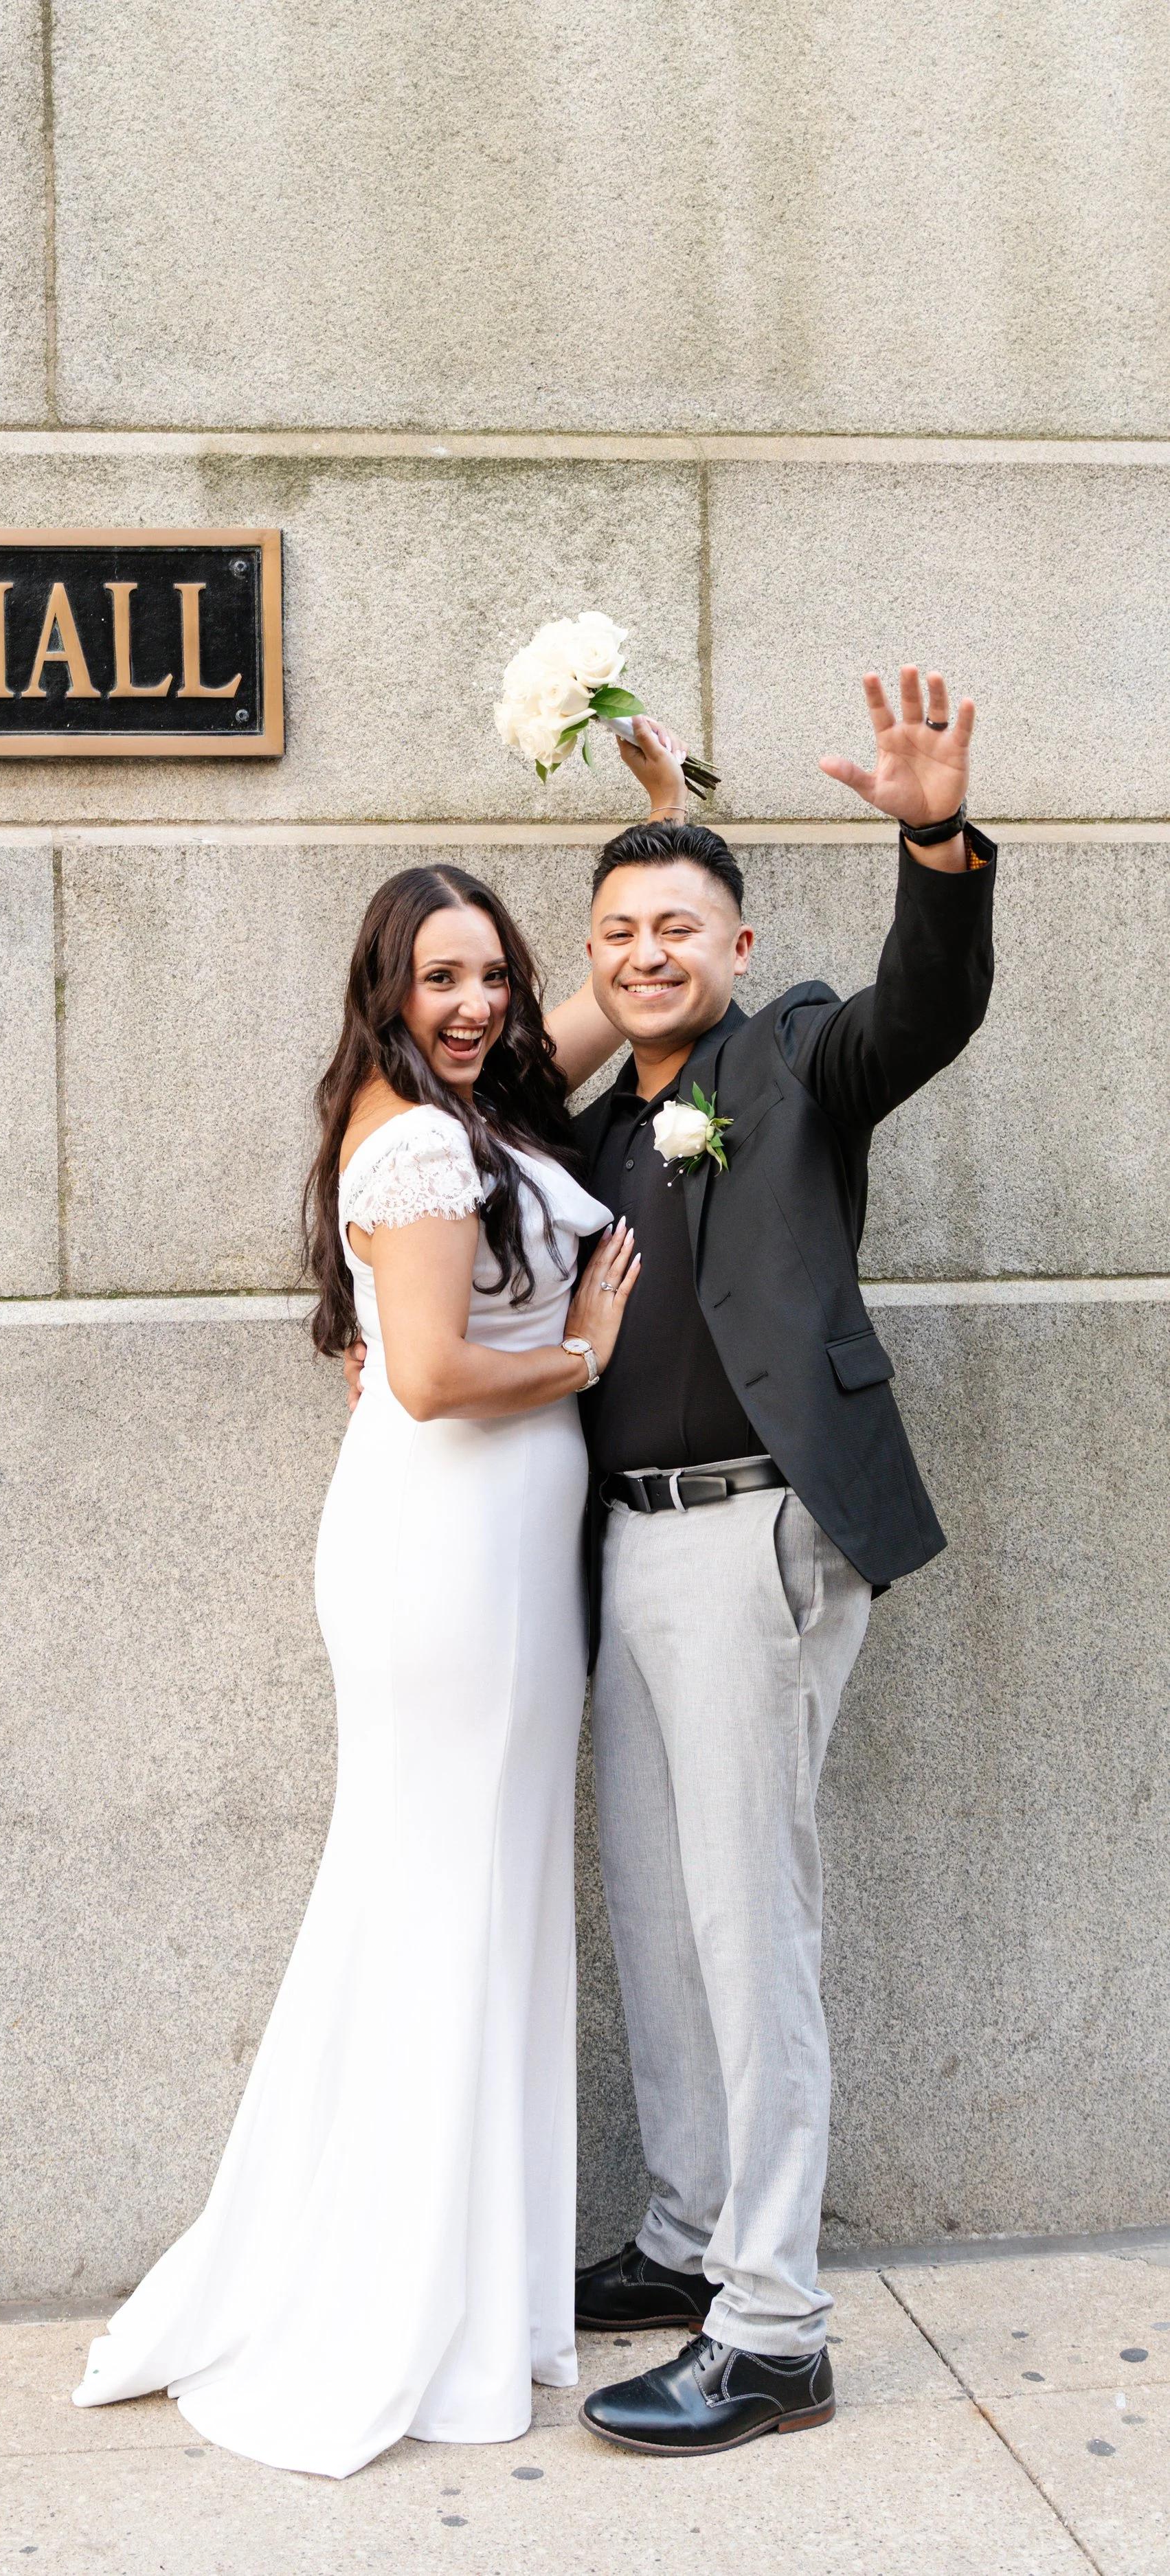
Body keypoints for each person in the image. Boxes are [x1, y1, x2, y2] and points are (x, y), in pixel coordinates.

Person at [71, 863, 637, 2477]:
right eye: (435, 980)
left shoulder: (475, 1106)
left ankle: (476, 2282)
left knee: (478, 1895)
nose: (470, 1006)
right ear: (380, 990)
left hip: (503, 1548)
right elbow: (444, 1373)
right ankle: (400, 2300)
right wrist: (587, 1350)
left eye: (489, 978)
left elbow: (584, 1017)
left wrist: (663, 817)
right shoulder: (406, 1142)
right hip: (444, 1556)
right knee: (435, 1898)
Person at [568, 669, 995, 2456]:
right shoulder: (593, 1112)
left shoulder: (794, 1050)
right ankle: (685, 2238)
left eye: (680, 924)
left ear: (741, 940)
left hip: (756, 1532)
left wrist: (932, 840)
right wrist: (660, 808)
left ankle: (773, 2327)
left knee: (750, 1923)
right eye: (617, 930)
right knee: (661, 1917)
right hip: (618, 1553)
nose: (648, 951)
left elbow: (924, 1001)